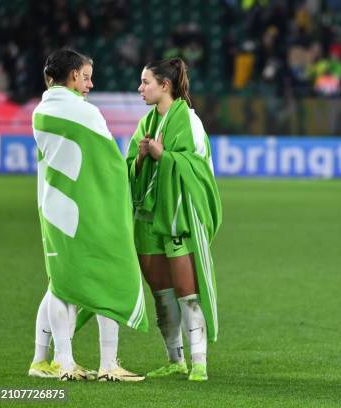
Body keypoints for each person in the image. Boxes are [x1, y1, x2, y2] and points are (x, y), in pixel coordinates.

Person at [30, 49, 147, 381]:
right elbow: (110, 166)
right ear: (72, 77)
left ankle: (61, 362)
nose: (90, 84)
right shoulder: (87, 113)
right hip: (90, 210)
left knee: (61, 283)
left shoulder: (40, 112)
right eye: (85, 76)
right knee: (106, 278)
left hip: (54, 207)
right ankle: (107, 364)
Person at [126, 58, 221, 382]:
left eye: (145, 82)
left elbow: (200, 168)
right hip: (149, 218)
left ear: (164, 85)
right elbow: (129, 166)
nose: (140, 89)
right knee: (162, 294)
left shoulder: (189, 121)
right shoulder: (146, 123)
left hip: (177, 216)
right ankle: (175, 359)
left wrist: (162, 156)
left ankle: (199, 363)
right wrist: (140, 157)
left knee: (187, 293)